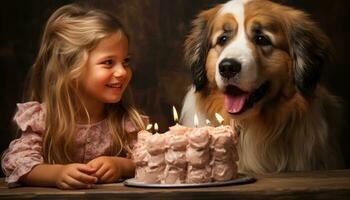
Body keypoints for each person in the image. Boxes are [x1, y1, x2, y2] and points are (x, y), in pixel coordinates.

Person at [1, 3, 147, 189]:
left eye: (125, 61)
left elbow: (149, 160)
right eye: (108, 62)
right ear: (71, 69)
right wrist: (57, 174)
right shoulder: (43, 119)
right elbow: (19, 162)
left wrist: (121, 166)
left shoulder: (125, 121)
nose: (122, 72)